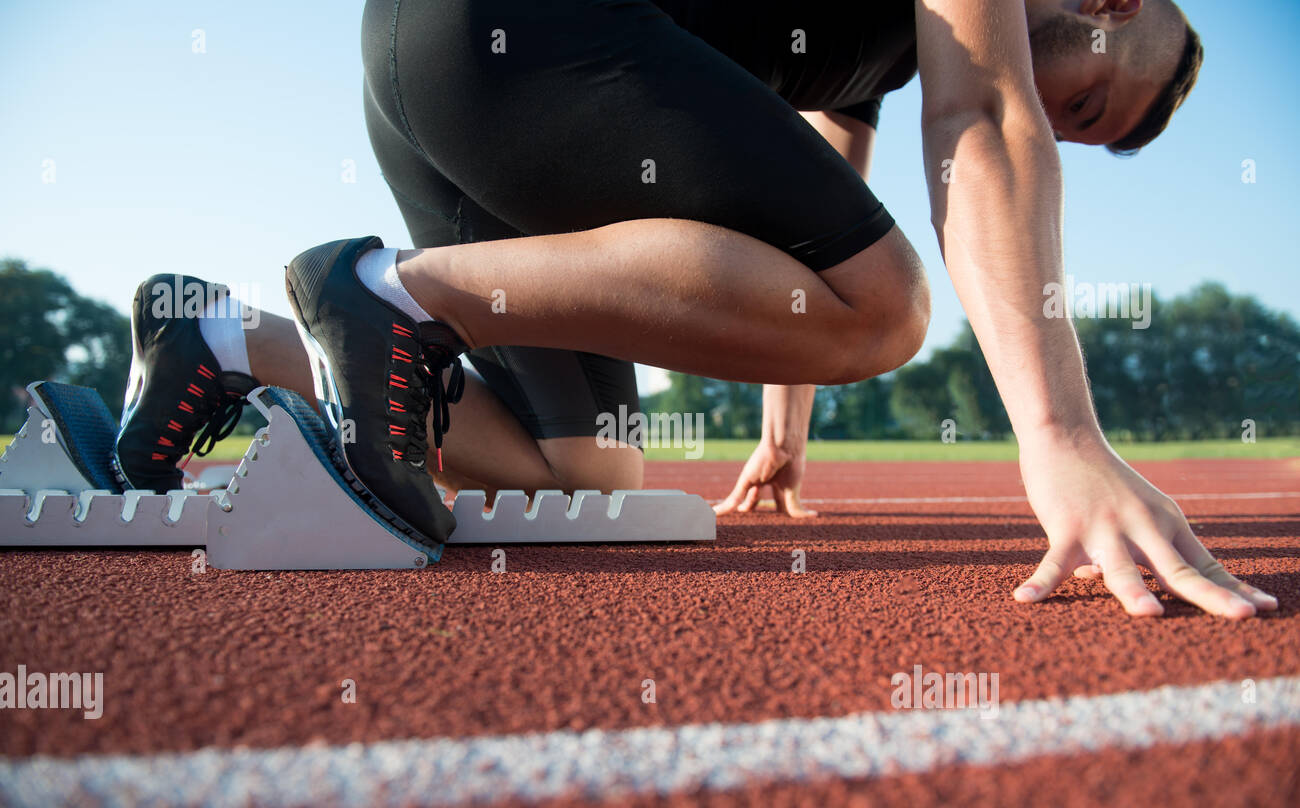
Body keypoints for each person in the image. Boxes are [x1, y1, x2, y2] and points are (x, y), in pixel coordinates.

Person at [114, 0, 1277, 618]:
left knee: (584, 473)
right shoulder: (969, 41)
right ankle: (391, 292)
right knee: (891, 312)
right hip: (533, 39)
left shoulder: (870, 49)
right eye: (1088, 101)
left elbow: (814, 226)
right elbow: (981, 119)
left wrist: (780, 443)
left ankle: (224, 339)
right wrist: (1061, 437)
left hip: (440, 65)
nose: (1063, 125)